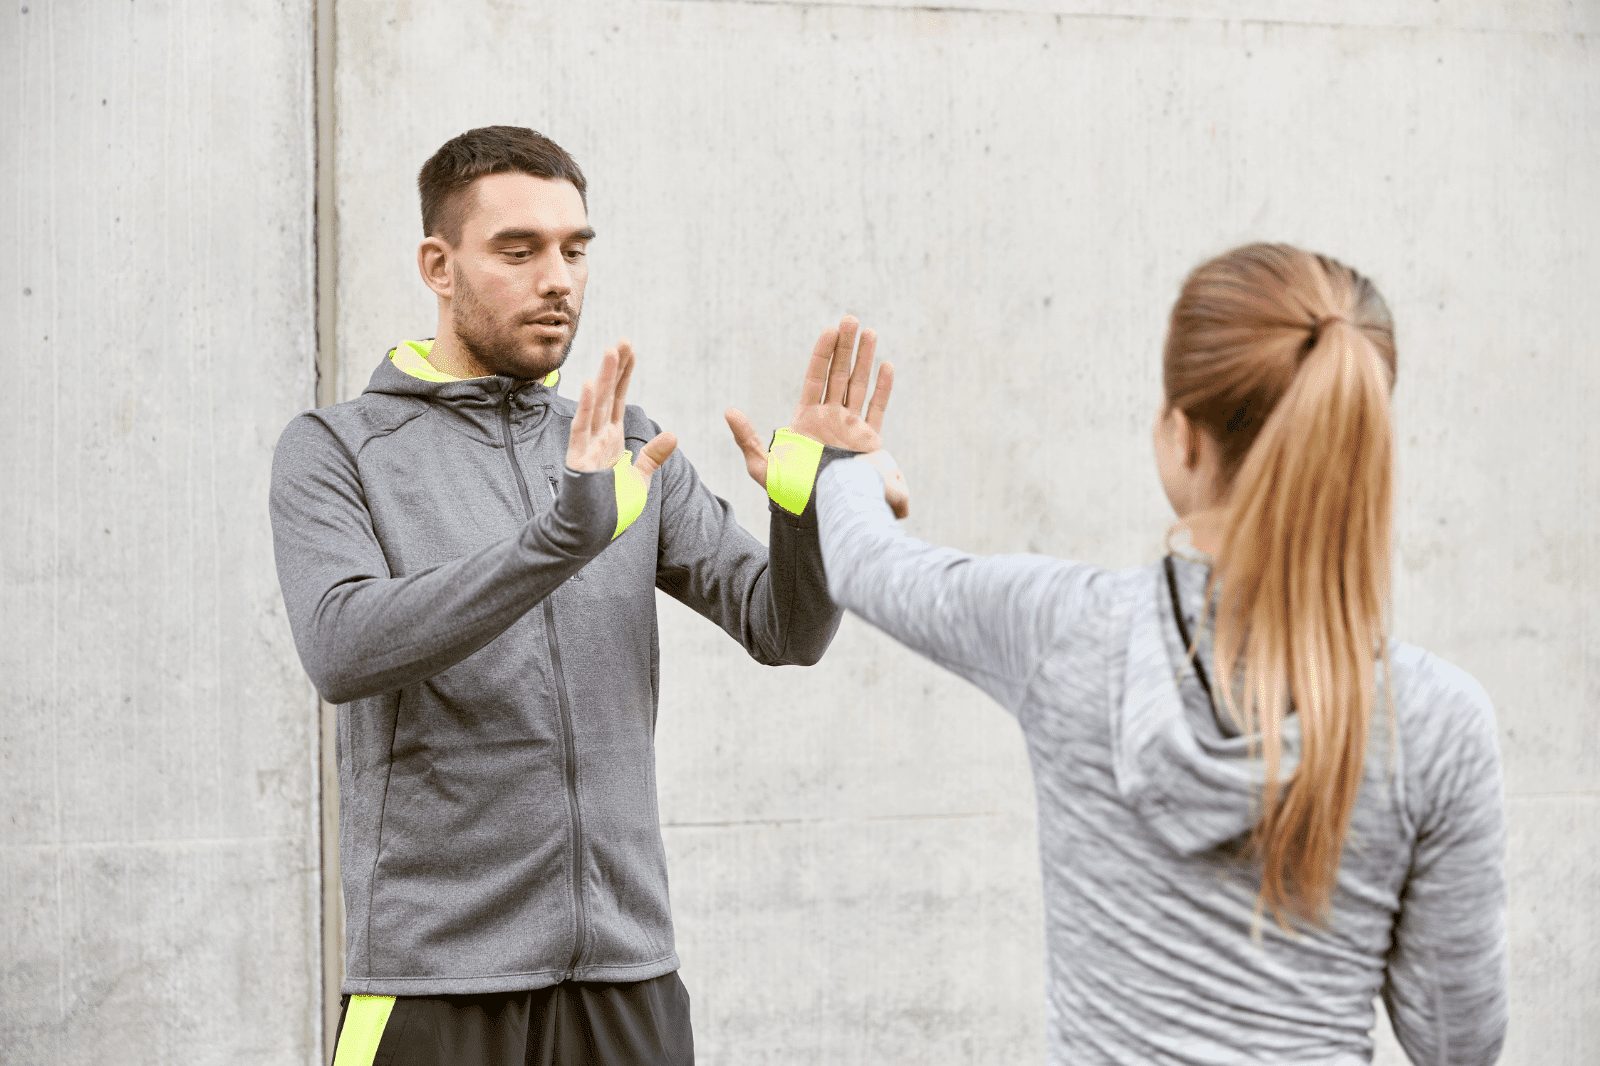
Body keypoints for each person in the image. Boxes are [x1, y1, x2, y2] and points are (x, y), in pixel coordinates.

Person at [269, 126, 893, 1066]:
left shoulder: (631, 450)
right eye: (518, 251)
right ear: (438, 266)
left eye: (575, 250)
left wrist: (810, 508)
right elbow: (342, 647)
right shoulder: (338, 448)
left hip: (626, 977)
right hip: (436, 983)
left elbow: (785, 629)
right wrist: (560, 540)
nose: (557, 279)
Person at [810, 244, 1507, 1064]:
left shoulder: (1062, 631)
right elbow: (1458, 1043)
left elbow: (865, 563)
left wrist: (841, 461)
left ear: (1181, 438)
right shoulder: (1437, 722)